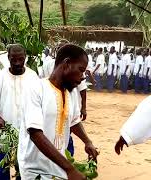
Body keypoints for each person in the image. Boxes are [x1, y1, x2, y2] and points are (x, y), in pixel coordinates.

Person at [18, 44, 99, 180]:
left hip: (58, 167)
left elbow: (73, 121)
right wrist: (70, 169)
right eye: (80, 70)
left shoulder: (69, 93)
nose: (83, 77)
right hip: (35, 170)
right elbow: (35, 134)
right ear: (67, 64)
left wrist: (87, 141)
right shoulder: (36, 89)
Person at [0, 44, 38, 180]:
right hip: (4, 132)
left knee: (23, 167)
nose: (17, 63)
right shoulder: (0, 77)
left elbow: (39, 102)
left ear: (25, 58)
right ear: (8, 58)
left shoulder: (33, 77)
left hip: (26, 132)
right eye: (13, 59)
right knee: (2, 167)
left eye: (20, 59)